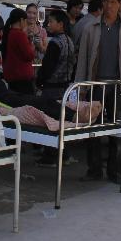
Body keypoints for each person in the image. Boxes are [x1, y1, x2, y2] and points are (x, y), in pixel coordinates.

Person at [75, 0, 121, 183]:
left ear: (119, 4)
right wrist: (81, 87)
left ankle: (114, 171)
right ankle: (94, 170)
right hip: (95, 85)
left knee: (117, 130)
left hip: (118, 87)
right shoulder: (91, 28)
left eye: (112, 2)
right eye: (105, 1)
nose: (109, 5)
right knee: (92, 129)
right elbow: (83, 59)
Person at [36, 9, 78, 167]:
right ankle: (65, 155)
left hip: (51, 87)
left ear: (60, 24)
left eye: (51, 21)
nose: (49, 24)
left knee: (49, 122)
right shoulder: (69, 41)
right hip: (65, 87)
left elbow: (47, 67)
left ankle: (50, 157)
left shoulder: (54, 43)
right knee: (62, 121)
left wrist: (39, 81)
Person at [1, 8, 36, 95]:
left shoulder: (9, 33)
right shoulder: (19, 34)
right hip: (22, 78)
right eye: (25, 20)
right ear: (21, 20)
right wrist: (31, 44)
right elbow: (29, 55)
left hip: (12, 76)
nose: (26, 23)